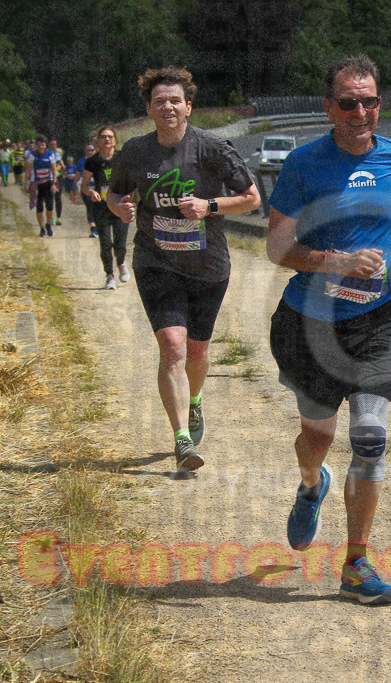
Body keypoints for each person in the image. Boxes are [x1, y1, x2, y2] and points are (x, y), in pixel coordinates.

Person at [265, 54, 391, 606]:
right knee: (320, 439)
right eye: (348, 102)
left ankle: (355, 563)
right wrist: (336, 262)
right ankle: (311, 486)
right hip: (308, 324)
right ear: (329, 107)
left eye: (369, 100)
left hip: (375, 320)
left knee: (370, 438)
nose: (360, 111)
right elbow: (277, 246)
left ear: (380, 104)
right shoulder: (304, 164)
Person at [107, 67, 260, 473]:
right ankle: (181, 440)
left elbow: (251, 198)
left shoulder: (211, 147)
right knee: (172, 347)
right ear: (149, 109)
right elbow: (115, 191)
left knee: (197, 350)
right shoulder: (135, 152)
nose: (168, 106)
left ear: (188, 106)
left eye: (175, 100)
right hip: (155, 261)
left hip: (207, 264)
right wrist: (117, 206)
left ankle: (194, 402)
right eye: (160, 101)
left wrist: (209, 206)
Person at [81, 126, 129, 290]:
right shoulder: (92, 161)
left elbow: (132, 181)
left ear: (115, 141)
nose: (107, 140)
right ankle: (109, 276)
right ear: (98, 141)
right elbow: (84, 185)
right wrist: (91, 192)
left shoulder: (121, 158)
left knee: (121, 244)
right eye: (103, 137)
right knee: (105, 243)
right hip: (101, 207)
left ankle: (121, 263)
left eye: (110, 137)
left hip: (119, 205)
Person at [29, 135, 59, 236]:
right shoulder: (32, 155)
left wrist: (54, 183)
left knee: (50, 206)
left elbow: (54, 170)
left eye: (43, 144)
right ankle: (42, 228)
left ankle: (48, 224)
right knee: (39, 206)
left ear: (45, 145)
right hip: (36, 183)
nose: (41, 147)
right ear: (36, 146)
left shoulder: (50, 155)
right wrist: (26, 184)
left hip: (48, 182)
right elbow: (28, 170)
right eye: (39, 145)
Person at [77, 143, 99, 237]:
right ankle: (93, 229)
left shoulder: (100, 161)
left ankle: (99, 227)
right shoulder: (81, 161)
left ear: (95, 150)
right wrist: (75, 185)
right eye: (88, 150)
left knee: (98, 209)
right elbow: (78, 174)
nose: (90, 152)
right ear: (85, 151)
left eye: (92, 150)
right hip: (86, 189)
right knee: (90, 208)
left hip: (98, 189)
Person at [48, 137, 65, 226]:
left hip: (59, 176)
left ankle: (58, 217)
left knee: (58, 198)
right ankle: (50, 217)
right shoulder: (47, 153)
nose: (53, 146)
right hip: (50, 177)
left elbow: (61, 160)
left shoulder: (60, 151)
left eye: (54, 144)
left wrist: (63, 165)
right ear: (49, 145)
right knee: (50, 197)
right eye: (51, 144)